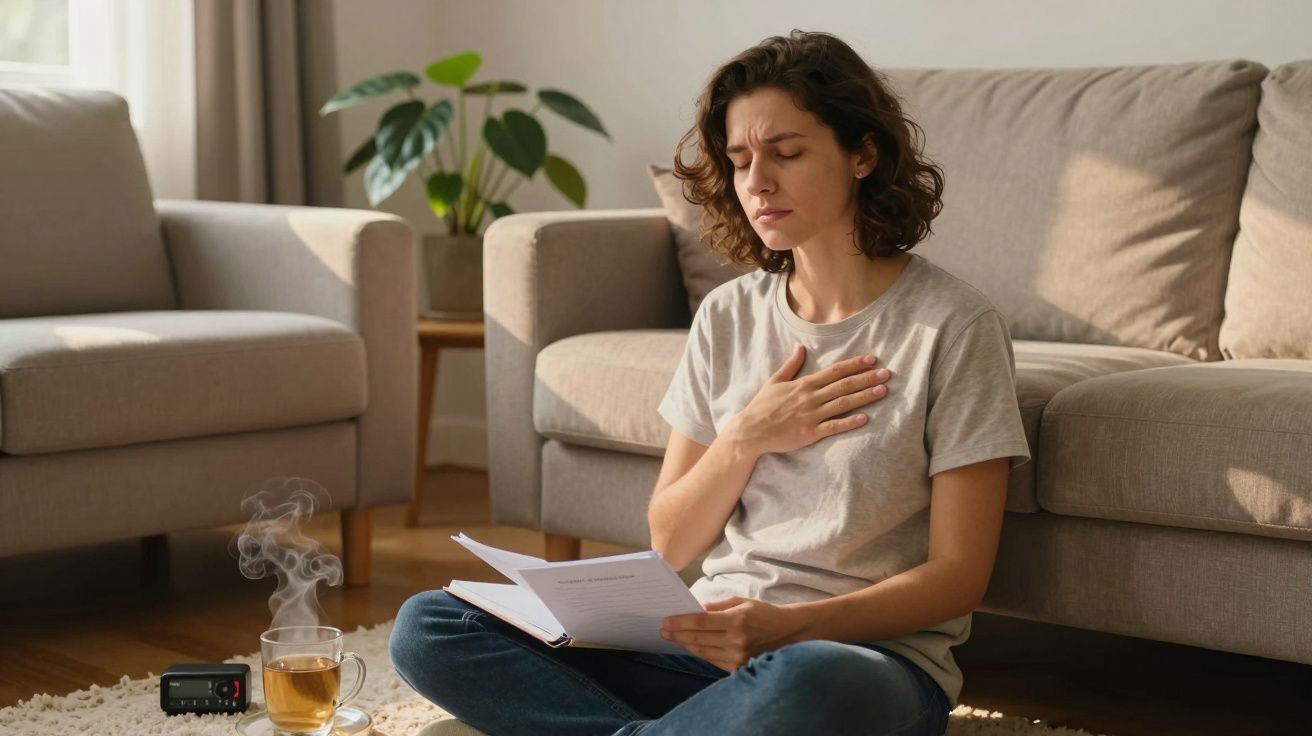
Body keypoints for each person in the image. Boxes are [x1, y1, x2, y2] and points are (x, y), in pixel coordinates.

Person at [389, 29, 1030, 736]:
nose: (757, 181)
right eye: (740, 160)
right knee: (429, 626)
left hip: (852, 665)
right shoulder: (728, 317)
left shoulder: (953, 327)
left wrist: (790, 627)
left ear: (862, 155)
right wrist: (746, 436)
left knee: (813, 682)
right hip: (700, 653)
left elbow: (960, 575)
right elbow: (669, 540)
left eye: (786, 154)